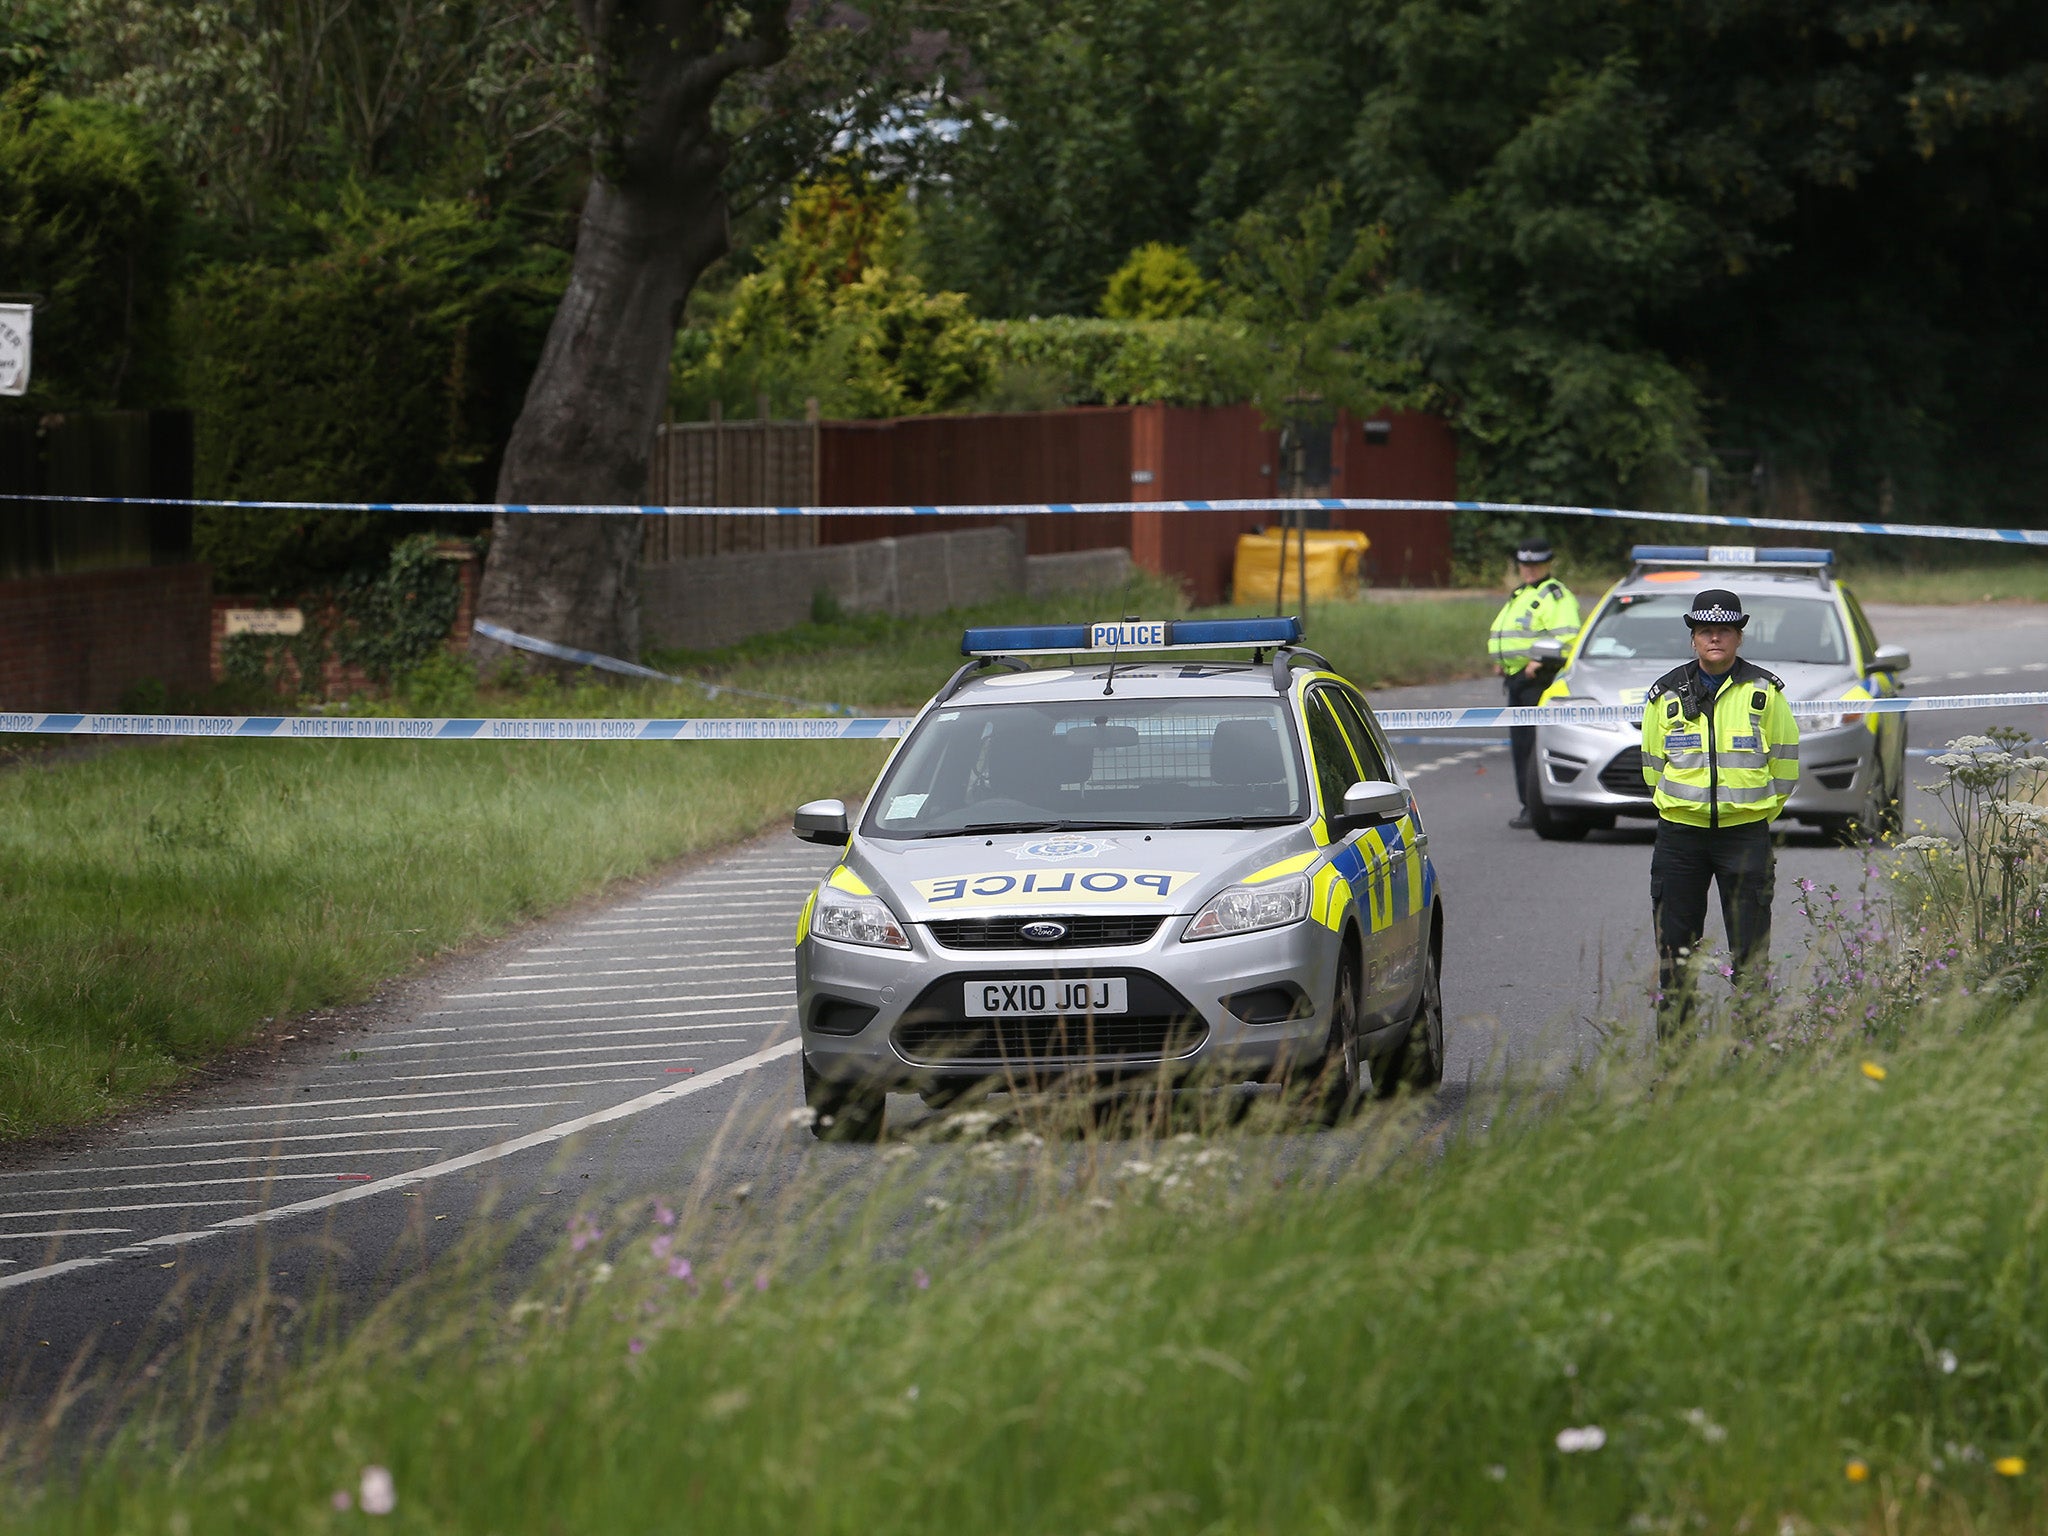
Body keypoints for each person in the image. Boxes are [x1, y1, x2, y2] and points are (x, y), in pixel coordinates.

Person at [1640, 589, 1801, 1030]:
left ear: (1739, 637)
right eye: (1705, 630)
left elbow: (1785, 767)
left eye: (1724, 630)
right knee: (1676, 957)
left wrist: (1754, 813)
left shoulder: (1765, 692)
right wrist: (1685, 808)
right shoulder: (1666, 694)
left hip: (1744, 837)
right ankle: (1675, 1063)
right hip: (1680, 839)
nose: (1715, 638)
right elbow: (1652, 768)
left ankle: (1749, 1059)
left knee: (1750, 957)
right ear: (1693, 638)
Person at [1486, 538, 1581, 829]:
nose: (1528, 569)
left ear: (1547, 564)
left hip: (1538, 680)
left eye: (1535, 564)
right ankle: (1528, 804)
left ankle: (1538, 807)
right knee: (1520, 746)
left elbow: (1567, 636)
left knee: (1531, 746)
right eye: (1524, 564)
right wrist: (1504, 663)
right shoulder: (1523, 593)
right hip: (1517, 679)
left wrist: (1535, 665)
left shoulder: (1555, 596)